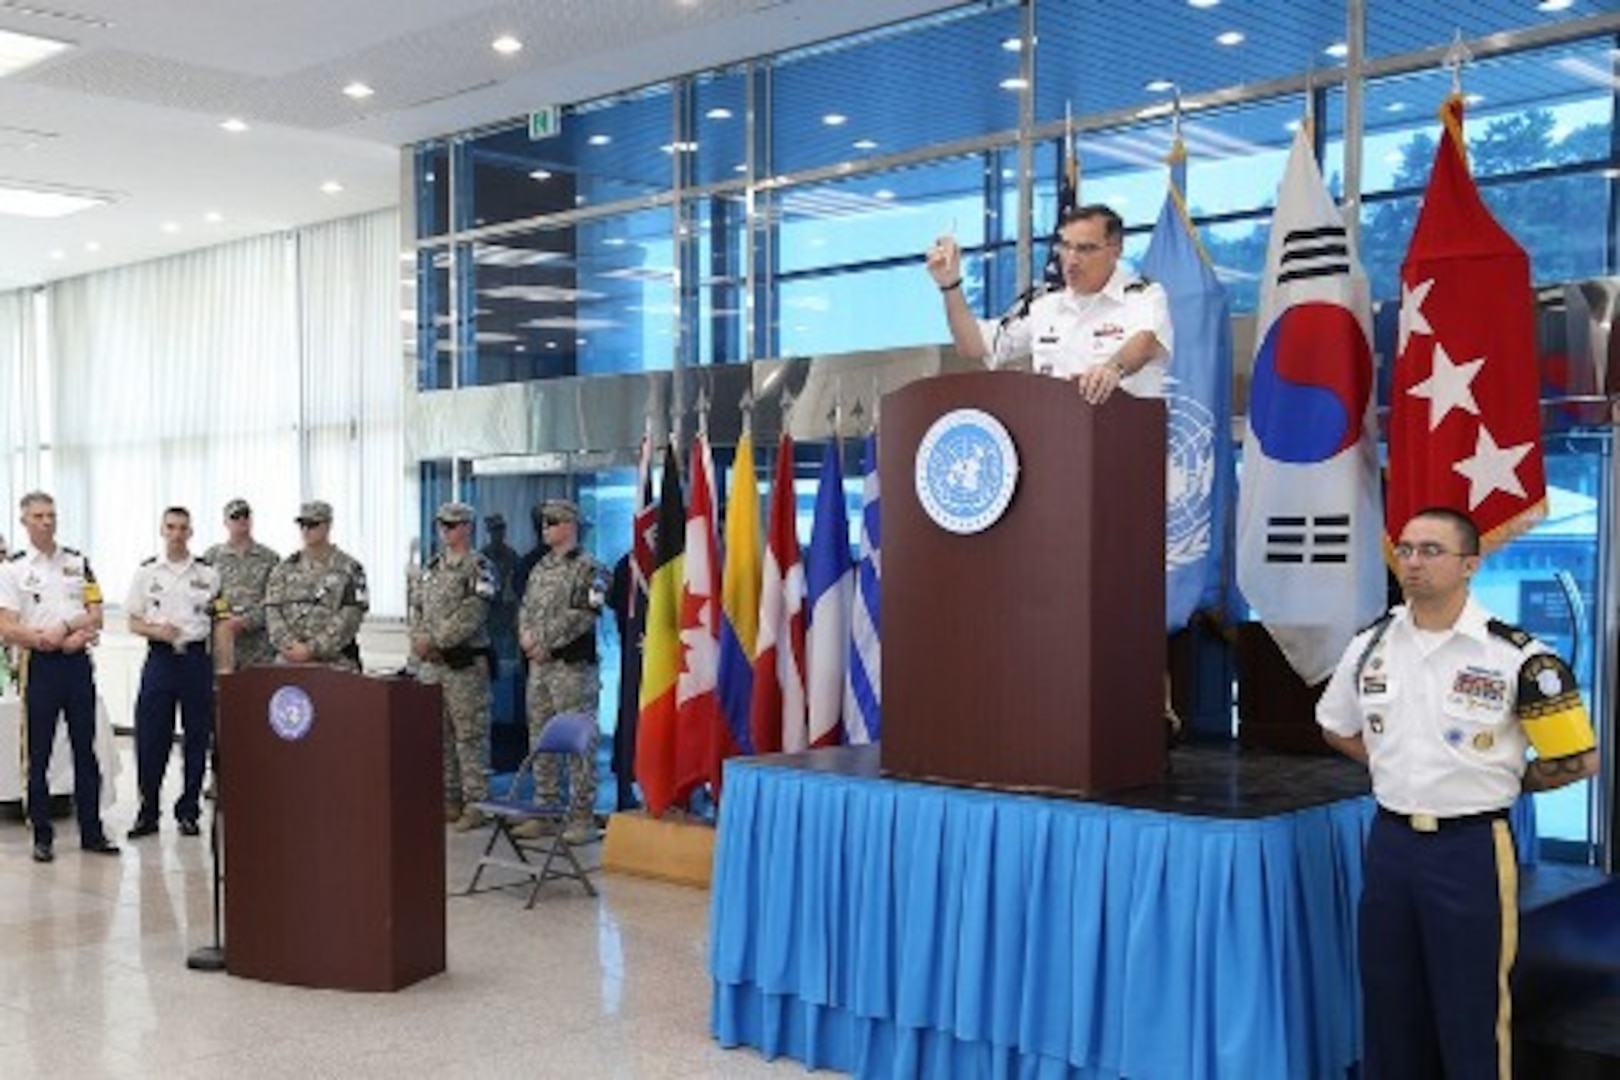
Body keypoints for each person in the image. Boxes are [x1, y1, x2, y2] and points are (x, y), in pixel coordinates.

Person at [1317, 506, 1600, 1079]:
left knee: (1470, 1009)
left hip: (1469, 849)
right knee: (1389, 1006)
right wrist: (1394, 765)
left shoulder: (1519, 656)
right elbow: (1335, 725)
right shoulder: (1371, 645)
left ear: (1470, 564)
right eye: (1406, 549)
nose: (1412, 562)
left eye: (1430, 551)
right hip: (1391, 844)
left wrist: (1499, 780)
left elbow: (1578, 759)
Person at [925, 203, 1173, 405]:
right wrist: (950, 286)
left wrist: (1111, 370)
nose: (1071, 259)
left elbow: (1147, 341)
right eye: (1065, 246)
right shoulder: (1043, 303)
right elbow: (974, 345)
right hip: (1057, 446)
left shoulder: (1142, 295)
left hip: (1124, 442)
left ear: (1115, 250)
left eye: (1085, 249)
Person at [0, 492, 120, 863]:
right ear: (24, 522)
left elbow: (96, 612)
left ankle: (92, 831)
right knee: (39, 752)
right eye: (38, 516)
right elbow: (6, 626)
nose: (47, 522)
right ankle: (42, 834)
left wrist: (70, 631)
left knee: (87, 749)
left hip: (77, 662)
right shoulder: (12, 569)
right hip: (41, 665)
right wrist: (44, 639)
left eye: (51, 515)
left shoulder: (77, 561)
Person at [125, 506, 221, 839]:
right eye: (171, 527)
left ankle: (189, 811)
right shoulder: (146, 573)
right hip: (161, 659)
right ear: (162, 530)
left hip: (195, 661)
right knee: (152, 737)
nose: (177, 533)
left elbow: (218, 621)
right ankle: (148, 811)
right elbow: (133, 621)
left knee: (197, 736)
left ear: (190, 533)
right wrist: (156, 632)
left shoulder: (208, 574)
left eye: (183, 528)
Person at [517, 498, 607, 843]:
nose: (546, 527)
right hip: (540, 669)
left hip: (571, 670)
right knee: (539, 739)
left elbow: (582, 616)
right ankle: (545, 811)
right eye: (543, 521)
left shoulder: (591, 570)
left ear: (570, 525)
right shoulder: (540, 568)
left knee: (579, 744)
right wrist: (527, 639)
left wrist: (543, 642)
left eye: (553, 521)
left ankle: (582, 817)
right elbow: (525, 609)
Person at [410, 501, 496, 831]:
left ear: (467, 528)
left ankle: (477, 803)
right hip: (432, 666)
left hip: (464, 666)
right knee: (440, 736)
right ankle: (450, 798)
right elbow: (416, 607)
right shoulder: (432, 567)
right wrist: (419, 641)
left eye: (452, 525)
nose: (445, 530)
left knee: (470, 736)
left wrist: (435, 640)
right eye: (441, 525)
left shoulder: (480, 567)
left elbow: (473, 613)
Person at [264, 500, 369, 670]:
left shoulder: (350, 569)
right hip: (289, 660)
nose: (306, 530)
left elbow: (350, 617)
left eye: (312, 524)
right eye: (302, 525)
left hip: (334, 661)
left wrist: (312, 649)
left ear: (328, 525)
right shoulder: (283, 569)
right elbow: (272, 611)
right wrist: (289, 646)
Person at [203, 497, 280, 671]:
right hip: (224, 644)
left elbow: (275, 600)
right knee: (225, 695)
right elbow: (205, 596)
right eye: (235, 516)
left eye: (245, 515)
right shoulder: (212, 557)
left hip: (259, 646)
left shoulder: (269, 558)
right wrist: (225, 616)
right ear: (225, 522)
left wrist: (246, 621)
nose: (241, 520)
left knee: (258, 695)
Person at [480, 513, 521, 663]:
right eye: (495, 530)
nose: (499, 534)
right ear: (489, 532)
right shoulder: (482, 557)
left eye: (501, 529)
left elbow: (520, 585)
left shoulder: (512, 556)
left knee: (508, 660)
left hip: (508, 612)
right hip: (488, 614)